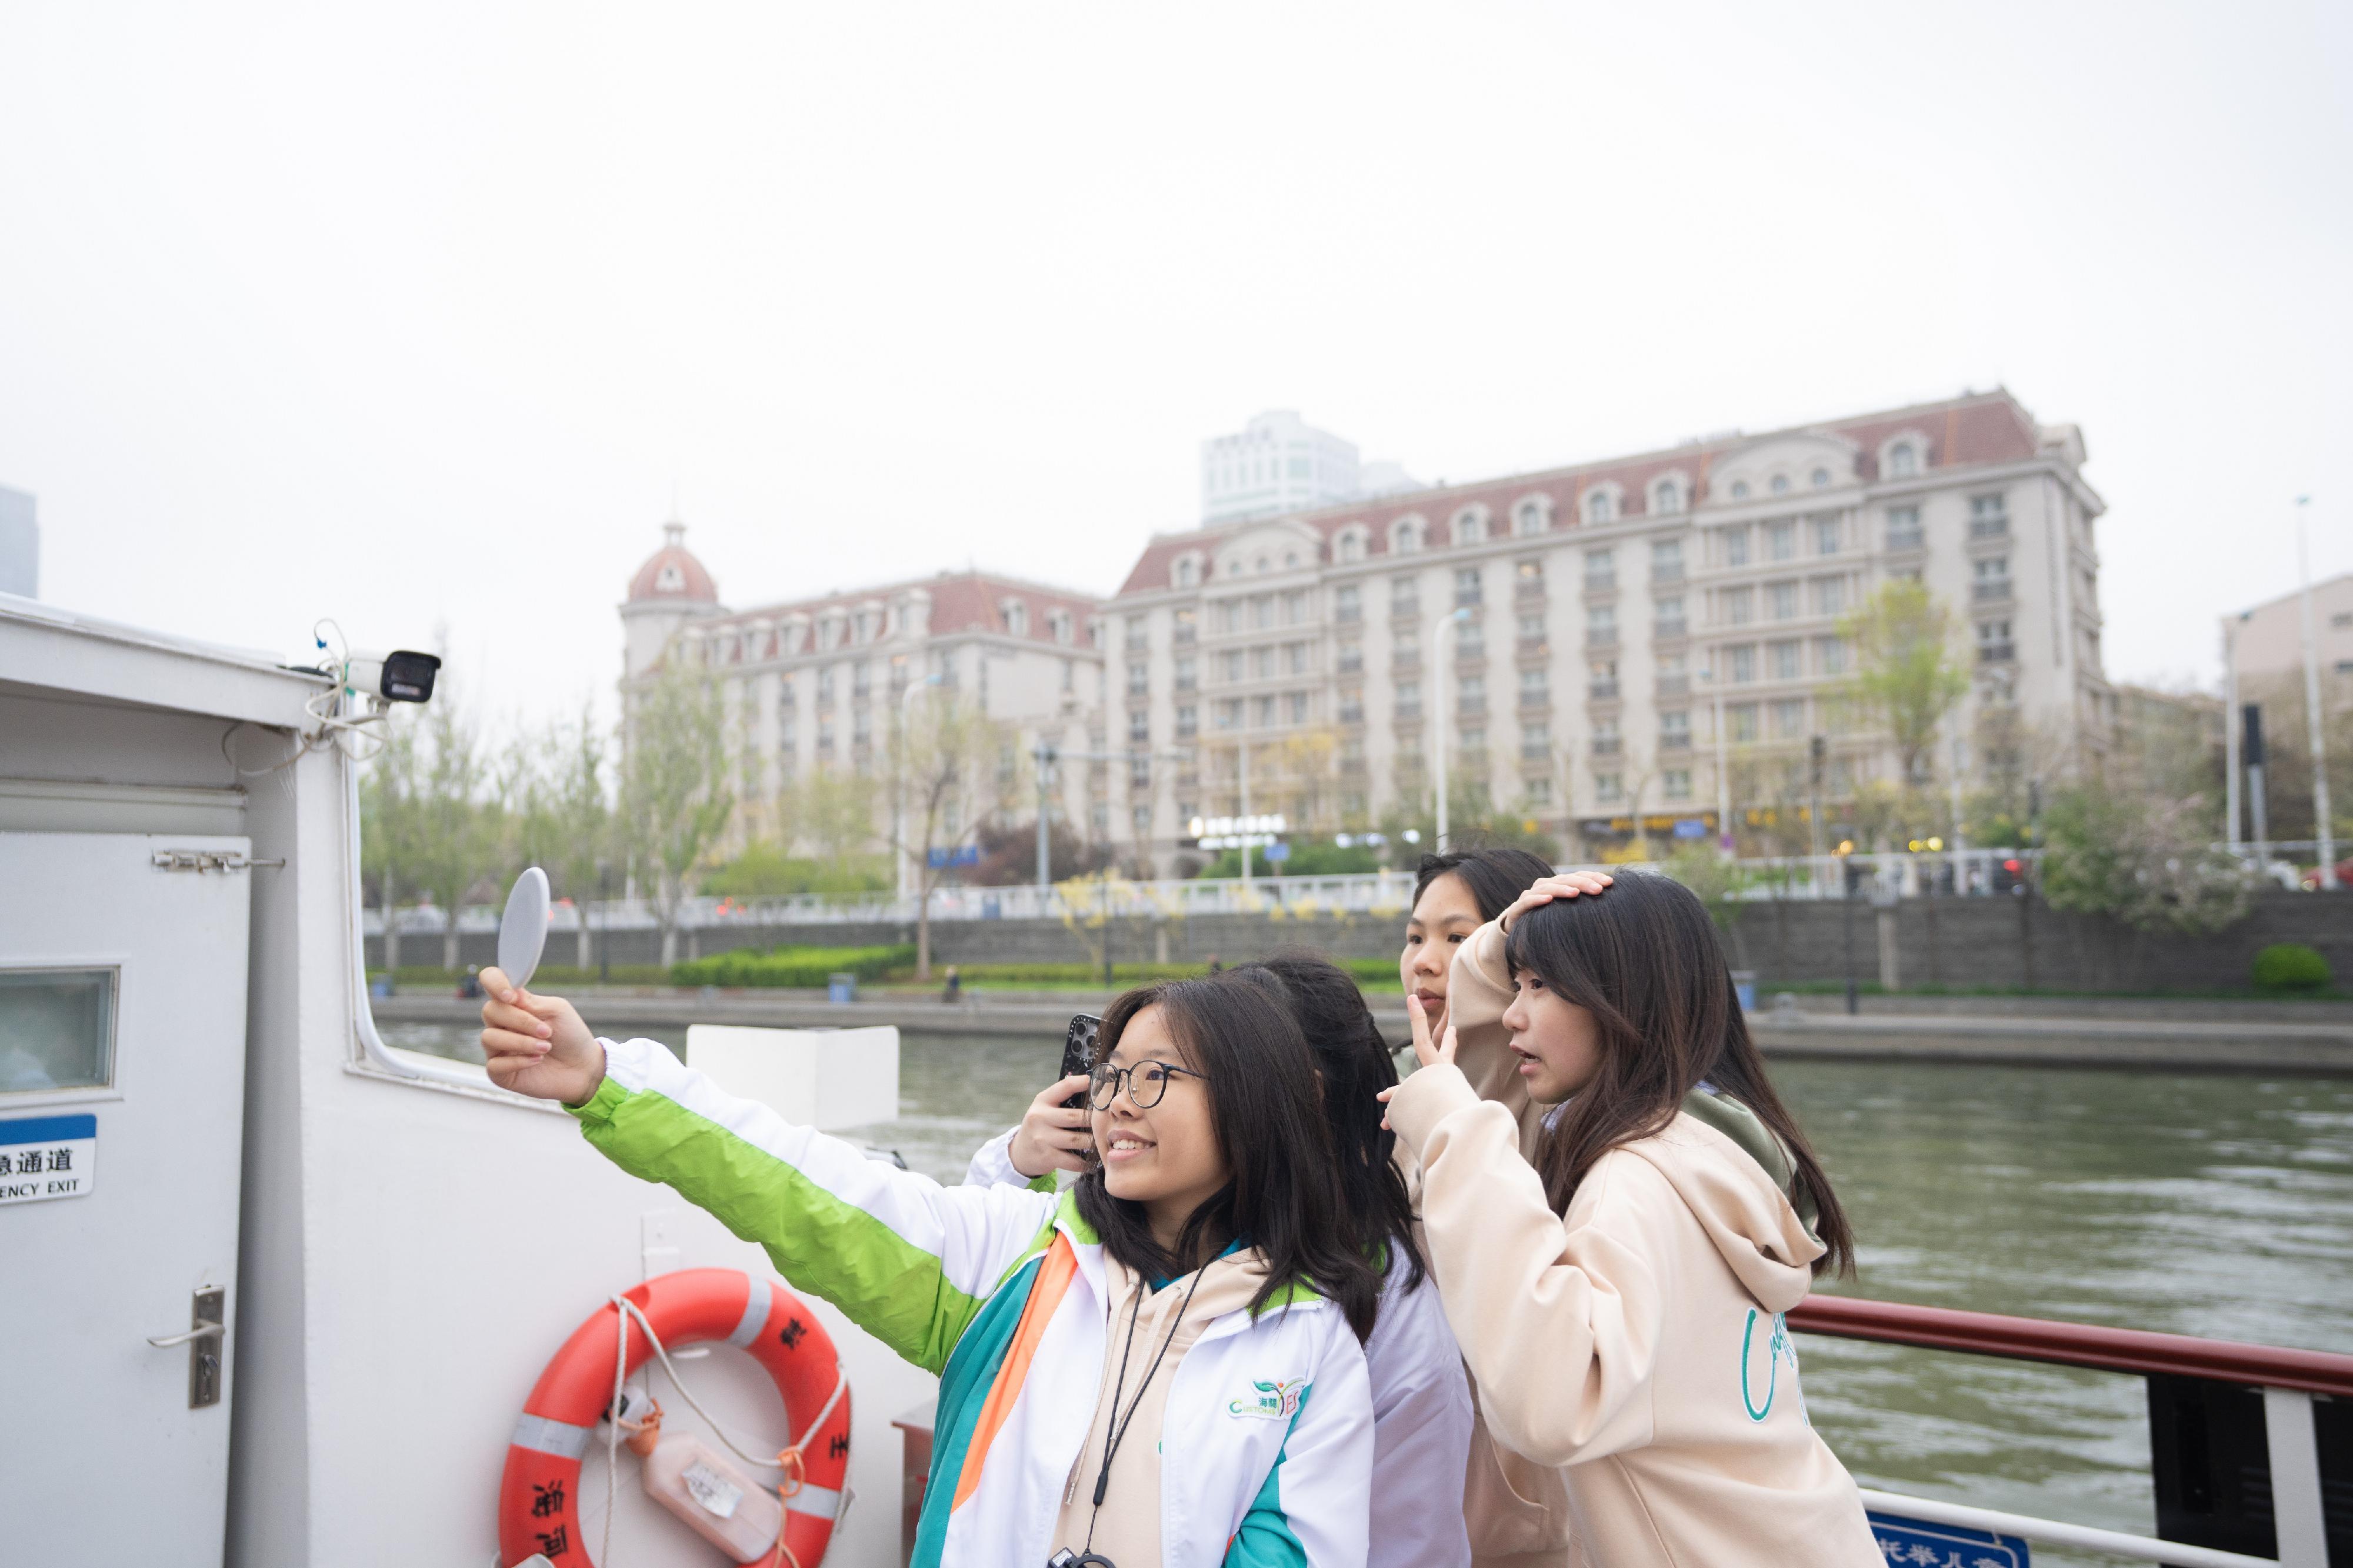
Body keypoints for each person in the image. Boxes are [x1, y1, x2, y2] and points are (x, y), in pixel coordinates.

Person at [478, 965, 1381, 1568]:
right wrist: (607, 1077)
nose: (1116, 1102)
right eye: (1111, 1074)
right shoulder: (1013, 1259)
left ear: (1253, 1104)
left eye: (1156, 1077)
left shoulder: (1308, 1342)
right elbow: (797, 1184)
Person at [1381, 873, 1880, 1568]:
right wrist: (1505, 940)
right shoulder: (1706, 1149)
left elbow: (1553, 1405)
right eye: (1515, 984)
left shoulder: (1634, 1179)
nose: (1514, 1015)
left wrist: (1455, 1133)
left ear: (1623, 1000)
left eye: (1540, 986)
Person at [966, 953, 1477, 1568]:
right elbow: (990, 1292)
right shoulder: (1152, 1222)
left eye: (1175, 1073)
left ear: (1291, 1093)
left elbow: (1410, 1533)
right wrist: (1019, 1161)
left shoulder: (1386, 1293)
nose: (1132, 1101)